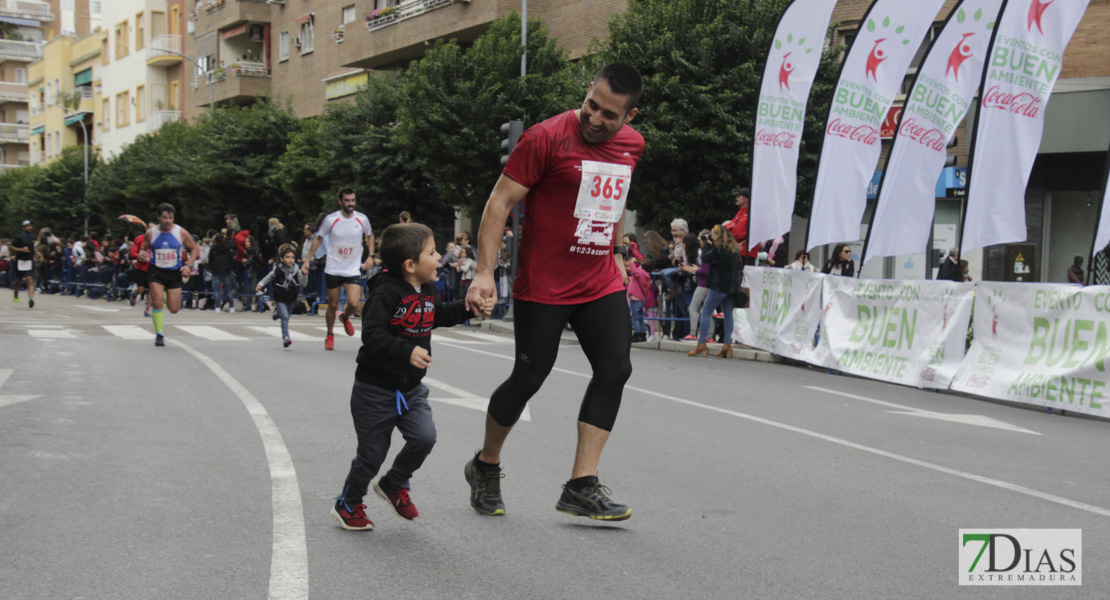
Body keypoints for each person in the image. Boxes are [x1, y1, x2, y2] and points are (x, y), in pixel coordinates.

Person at [463, 62, 644, 521]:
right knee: (530, 377)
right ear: (587, 93)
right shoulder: (545, 138)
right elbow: (499, 202)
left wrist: (619, 251)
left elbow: (615, 197)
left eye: (609, 115)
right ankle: (485, 465)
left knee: (615, 368)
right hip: (544, 282)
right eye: (592, 105)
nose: (596, 119)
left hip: (598, 278)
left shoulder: (632, 146)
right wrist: (485, 272)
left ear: (631, 116)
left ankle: (581, 485)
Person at [331, 223, 492, 531]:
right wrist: (405, 351)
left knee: (424, 437)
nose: (438, 258)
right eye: (432, 253)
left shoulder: (427, 288)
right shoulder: (385, 293)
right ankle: (348, 502)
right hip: (374, 391)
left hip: (410, 389)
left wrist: (469, 309)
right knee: (371, 456)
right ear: (410, 265)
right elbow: (373, 335)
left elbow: (438, 315)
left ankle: (394, 483)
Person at [302, 188, 376, 351]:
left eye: (353, 200)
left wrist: (370, 255)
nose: (350, 204)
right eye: (347, 201)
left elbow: (369, 235)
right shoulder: (331, 219)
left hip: (352, 269)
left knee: (353, 303)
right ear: (340, 201)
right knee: (333, 305)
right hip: (333, 269)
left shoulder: (362, 219)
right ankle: (330, 335)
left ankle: (345, 317)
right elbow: (319, 238)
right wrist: (308, 260)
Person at [139, 203, 200, 346]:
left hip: (174, 273)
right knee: (158, 302)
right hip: (156, 271)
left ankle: (164, 293)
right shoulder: (151, 233)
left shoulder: (181, 232)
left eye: (170, 218)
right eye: (165, 218)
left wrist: (189, 265)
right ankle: (159, 334)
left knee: (174, 309)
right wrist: (142, 254)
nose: (167, 221)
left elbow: (194, 249)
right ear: (158, 217)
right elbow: (144, 249)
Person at [689, 225, 740, 358]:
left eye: (712, 234)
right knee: (728, 315)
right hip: (731, 287)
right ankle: (727, 345)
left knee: (706, 312)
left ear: (717, 235)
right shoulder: (733, 249)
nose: (711, 236)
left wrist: (707, 244)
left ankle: (701, 344)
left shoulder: (719, 249)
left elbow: (705, 257)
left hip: (719, 286)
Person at [257, 244, 308, 347]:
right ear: (282, 258)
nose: (290, 260)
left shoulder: (297, 270)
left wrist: (305, 275)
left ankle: (277, 313)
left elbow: (303, 284)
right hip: (280, 295)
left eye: (292, 257)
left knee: (287, 316)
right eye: (287, 257)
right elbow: (269, 277)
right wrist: (261, 284)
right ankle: (286, 337)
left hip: (292, 296)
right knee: (284, 316)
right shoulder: (278, 269)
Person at [723, 188, 761, 266]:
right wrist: (730, 228)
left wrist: (730, 228)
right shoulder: (741, 212)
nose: (736, 198)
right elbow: (726, 228)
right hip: (739, 253)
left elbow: (737, 233)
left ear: (745, 199)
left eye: (738, 196)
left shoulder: (751, 214)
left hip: (746, 255)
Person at [207, 232, 238, 312]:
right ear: (223, 240)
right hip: (226, 271)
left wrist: (211, 268)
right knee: (228, 290)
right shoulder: (227, 249)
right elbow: (231, 260)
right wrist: (230, 267)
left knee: (217, 290)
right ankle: (231, 307)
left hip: (216, 271)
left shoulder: (213, 249)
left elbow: (210, 260)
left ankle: (217, 307)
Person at [10, 220, 35, 307]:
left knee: (30, 280)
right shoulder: (19, 237)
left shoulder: (32, 237)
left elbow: (33, 248)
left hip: (29, 261)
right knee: (19, 279)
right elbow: (11, 248)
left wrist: (36, 253)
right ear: (23, 228)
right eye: (27, 226)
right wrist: (21, 250)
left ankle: (30, 299)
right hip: (20, 261)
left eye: (30, 225)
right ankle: (16, 291)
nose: (30, 227)